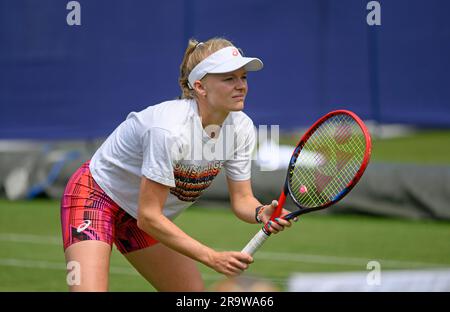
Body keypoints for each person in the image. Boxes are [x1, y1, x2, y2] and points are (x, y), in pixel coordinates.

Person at [60, 37, 295, 292]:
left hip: (142, 215)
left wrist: (261, 212)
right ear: (200, 87)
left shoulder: (242, 128)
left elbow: (242, 200)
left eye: (243, 78)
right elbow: (149, 216)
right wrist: (210, 256)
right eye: (229, 79)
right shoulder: (169, 129)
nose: (241, 86)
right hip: (97, 197)